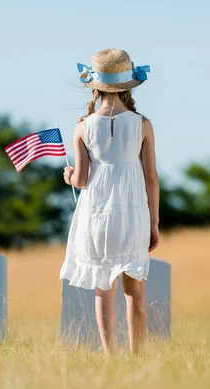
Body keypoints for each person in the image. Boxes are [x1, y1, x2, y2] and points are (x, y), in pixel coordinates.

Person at [59, 48, 160, 356]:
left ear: (94, 85)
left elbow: (83, 179)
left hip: (97, 213)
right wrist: (153, 222)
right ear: (127, 85)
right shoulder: (142, 125)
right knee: (135, 288)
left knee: (104, 287)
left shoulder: (83, 126)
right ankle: (137, 356)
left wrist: (69, 175)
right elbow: (151, 178)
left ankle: (110, 356)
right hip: (132, 213)